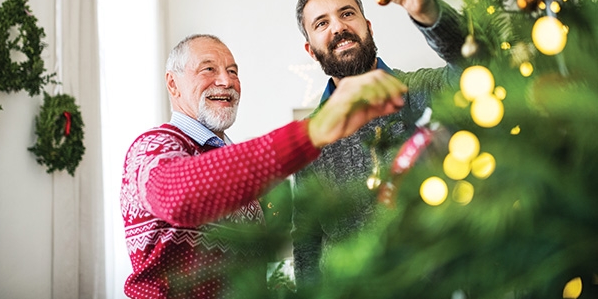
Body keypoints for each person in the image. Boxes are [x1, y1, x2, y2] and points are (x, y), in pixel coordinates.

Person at [120, 33, 410, 299]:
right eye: (209, 69)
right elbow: (177, 195)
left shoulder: (235, 165)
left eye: (233, 71)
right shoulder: (153, 146)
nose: (226, 81)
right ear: (173, 83)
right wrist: (312, 131)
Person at [291, 0, 468, 291]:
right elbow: (307, 239)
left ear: (368, 26)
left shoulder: (426, 89)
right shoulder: (308, 137)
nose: (339, 27)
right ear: (310, 50)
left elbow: (476, 69)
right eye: (322, 23)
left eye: (347, 14)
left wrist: (426, 10)